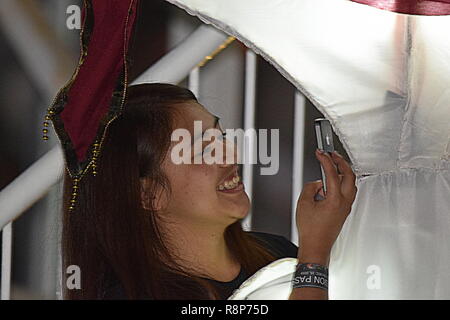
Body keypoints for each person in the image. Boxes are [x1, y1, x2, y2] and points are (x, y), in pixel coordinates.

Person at [62, 83, 357, 300]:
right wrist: (315, 256)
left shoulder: (275, 254)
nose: (230, 154)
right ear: (149, 194)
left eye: (221, 137)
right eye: (203, 149)